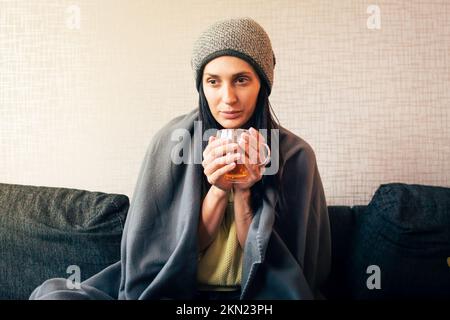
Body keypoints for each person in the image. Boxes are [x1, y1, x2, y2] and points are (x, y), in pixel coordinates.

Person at [30, 17, 331, 300]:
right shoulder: (171, 142)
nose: (228, 98)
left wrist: (243, 191)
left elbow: (281, 272)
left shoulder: (295, 155)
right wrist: (217, 188)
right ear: (201, 85)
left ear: (262, 84)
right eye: (213, 81)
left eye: (241, 80)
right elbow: (167, 259)